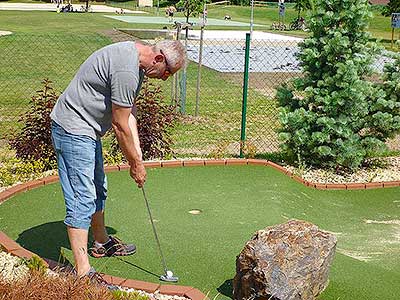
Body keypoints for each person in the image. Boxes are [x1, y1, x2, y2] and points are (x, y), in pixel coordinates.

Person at [50, 40, 186, 282]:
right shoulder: (127, 69)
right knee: (82, 196)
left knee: (98, 187)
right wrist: (135, 165)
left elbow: (129, 113)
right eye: (167, 73)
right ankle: (83, 272)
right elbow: (120, 124)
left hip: (88, 129)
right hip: (73, 127)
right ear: (158, 59)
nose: (165, 79)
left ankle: (101, 242)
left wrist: (138, 155)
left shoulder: (139, 66)